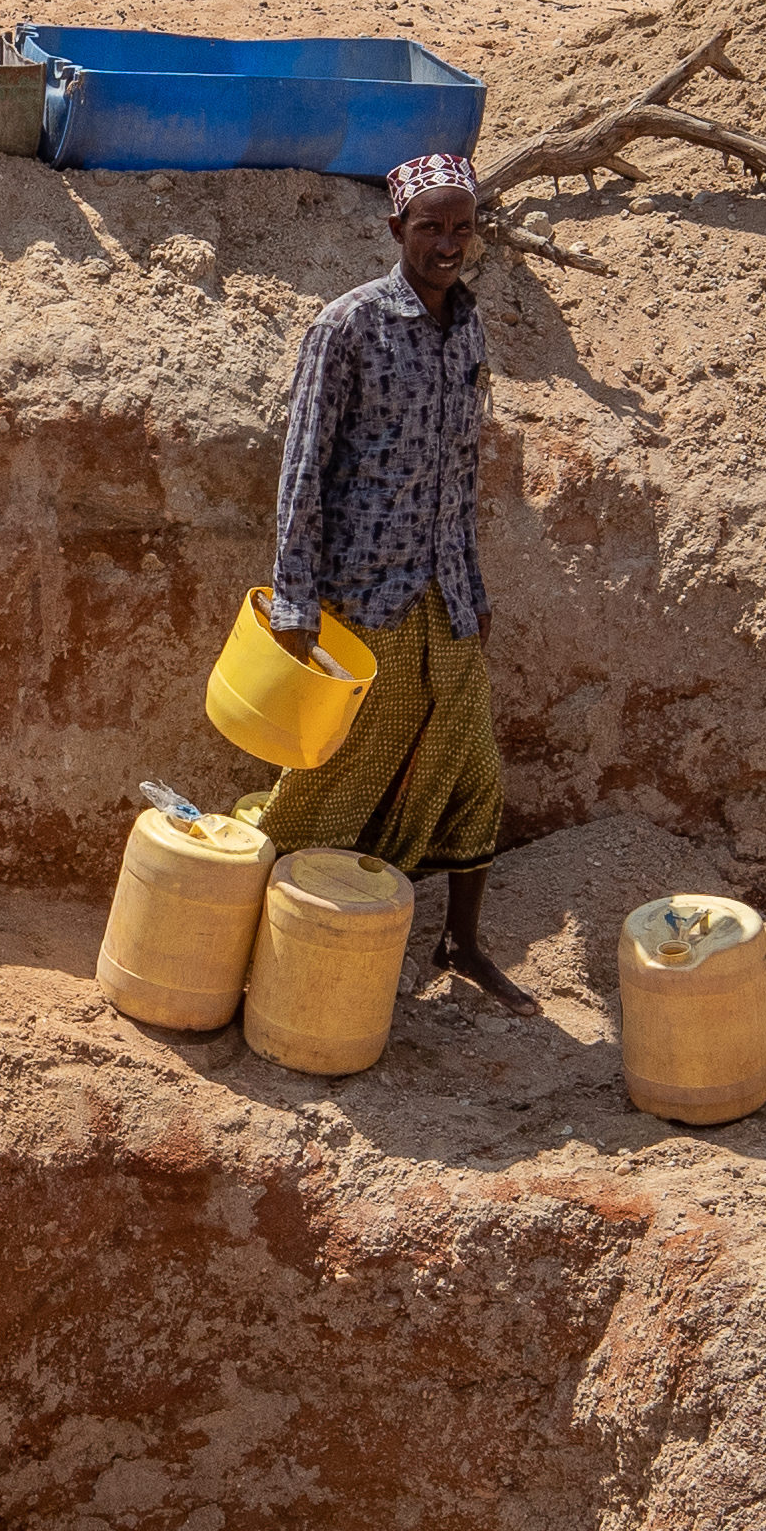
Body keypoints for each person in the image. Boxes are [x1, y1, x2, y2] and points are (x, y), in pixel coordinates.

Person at [243, 148, 532, 1013]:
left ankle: (463, 943)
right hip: (364, 594)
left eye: (463, 227)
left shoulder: (470, 328)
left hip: (443, 592)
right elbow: (303, 470)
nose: (449, 243)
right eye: (431, 227)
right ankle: (246, 922)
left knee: (473, 765)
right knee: (337, 775)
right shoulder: (348, 327)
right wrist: (294, 604)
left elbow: (461, 474)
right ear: (396, 229)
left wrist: (474, 592)